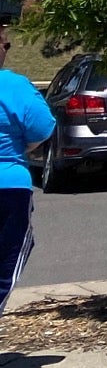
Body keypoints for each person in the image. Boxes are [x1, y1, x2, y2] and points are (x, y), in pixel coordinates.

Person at [0, 22, 55, 312]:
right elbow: (43, 128)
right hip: (8, 187)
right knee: (7, 261)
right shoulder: (13, 86)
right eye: (5, 44)